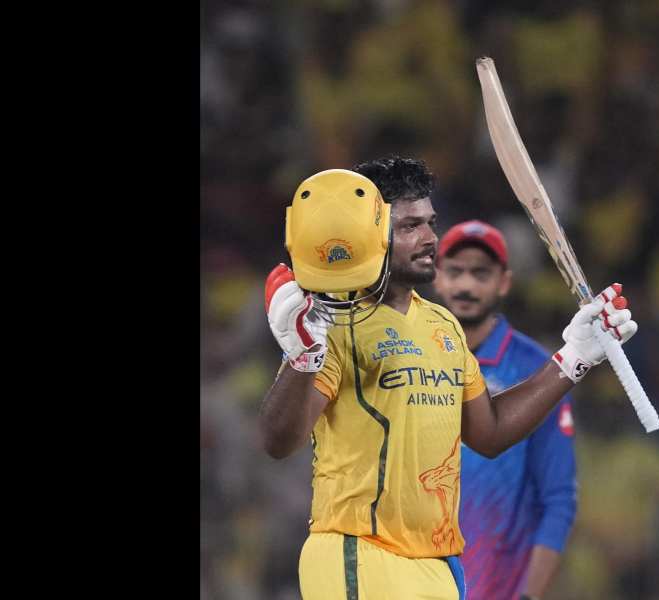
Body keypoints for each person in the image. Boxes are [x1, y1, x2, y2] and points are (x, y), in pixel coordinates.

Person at [260, 156, 638, 600]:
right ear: (370, 233)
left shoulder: (442, 324)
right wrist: (302, 357)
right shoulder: (335, 321)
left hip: (439, 566)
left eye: (430, 223)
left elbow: (489, 433)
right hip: (360, 553)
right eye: (409, 226)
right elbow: (278, 441)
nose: (430, 239)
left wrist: (574, 358)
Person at [433, 220, 578, 600]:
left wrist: (528, 596)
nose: (466, 285)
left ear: (504, 283)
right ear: (437, 277)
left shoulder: (539, 370)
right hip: (416, 580)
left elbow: (558, 498)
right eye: (455, 271)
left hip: (499, 586)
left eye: (481, 273)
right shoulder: (413, 357)